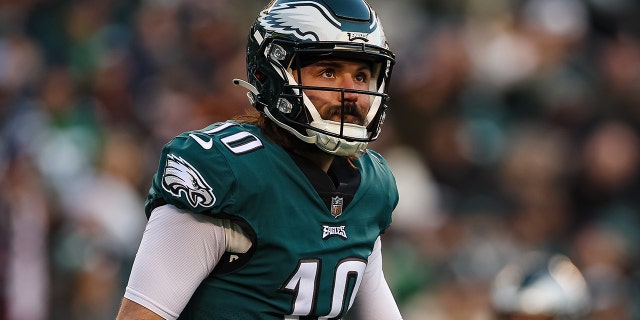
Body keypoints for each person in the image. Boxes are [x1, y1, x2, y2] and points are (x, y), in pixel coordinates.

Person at [115, 0, 402, 319]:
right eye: (330, 72)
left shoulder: (370, 188)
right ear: (271, 75)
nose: (353, 95)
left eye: (362, 76)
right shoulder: (225, 171)